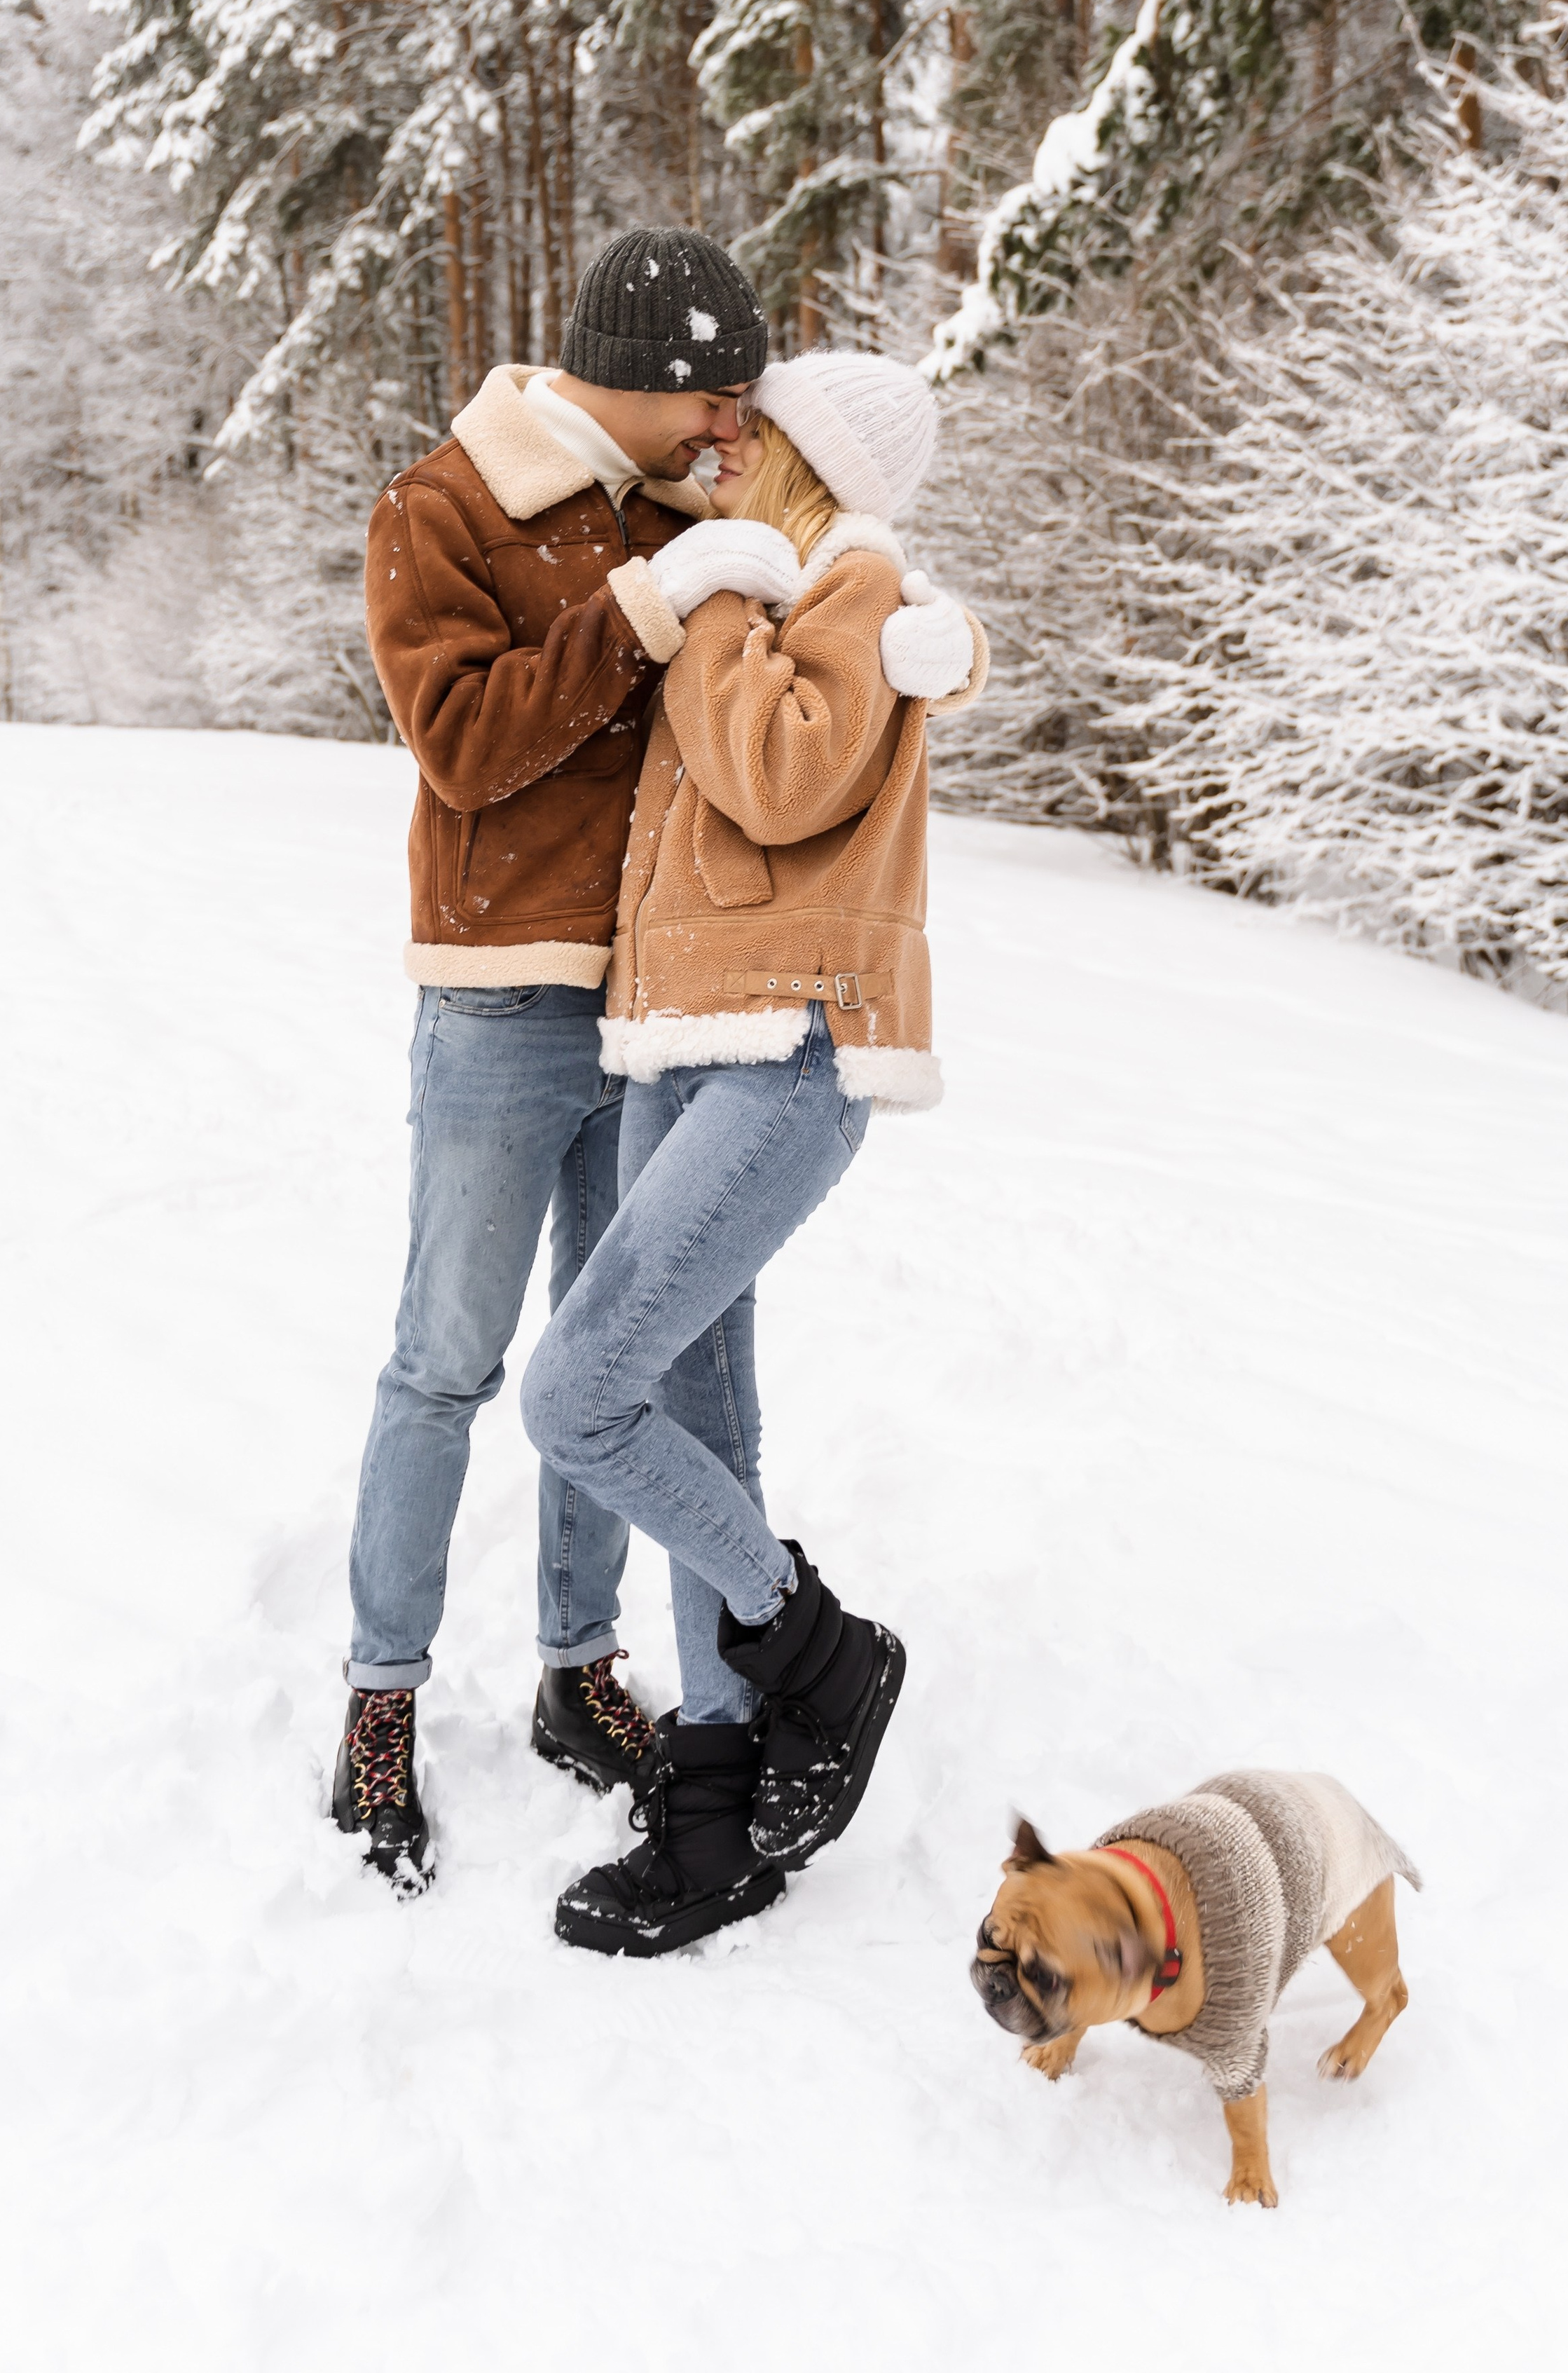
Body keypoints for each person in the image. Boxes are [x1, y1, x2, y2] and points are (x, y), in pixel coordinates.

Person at [332, 233, 979, 1892]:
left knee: (609, 1353)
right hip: (499, 996)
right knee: (448, 1361)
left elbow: (827, 611)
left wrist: (942, 643)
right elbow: (461, 745)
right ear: (641, 371)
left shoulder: (692, 505)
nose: (728, 428)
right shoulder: (447, 506)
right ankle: (380, 1694)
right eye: (715, 396)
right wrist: (646, 608)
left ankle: (577, 1665)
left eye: (743, 409)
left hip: (658, 1011)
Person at [520, 348, 987, 1955]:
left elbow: (774, 780)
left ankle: (816, 1650)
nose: (719, 446)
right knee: (691, 1427)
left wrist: (717, 595)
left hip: (788, 1046)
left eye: (749, 430)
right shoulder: (783, 577)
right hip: (685, 1034)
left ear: (809, 458)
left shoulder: (843, 582)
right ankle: (713, 1799)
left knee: (577, 1395)